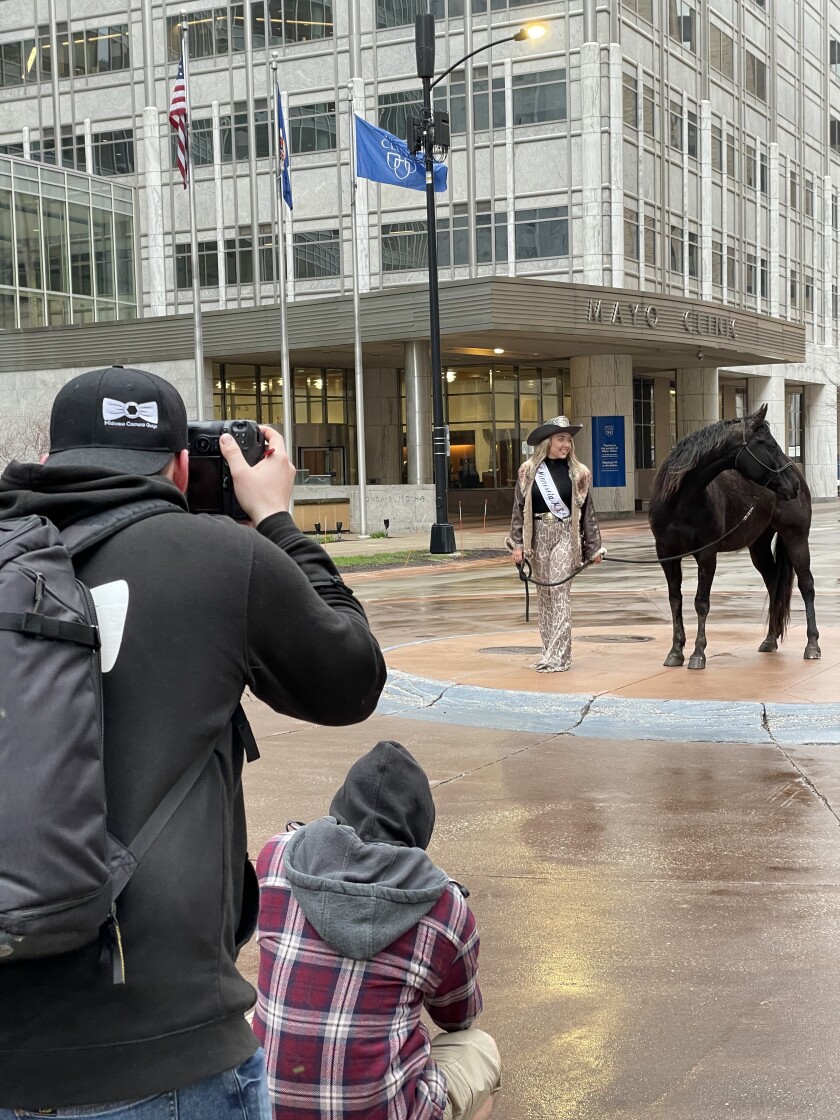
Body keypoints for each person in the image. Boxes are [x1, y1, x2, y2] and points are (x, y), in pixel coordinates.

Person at [0, 365, 386, 1118]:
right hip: (166, 1049)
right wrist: (277, 522)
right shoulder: (220, 558)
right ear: (182, 467)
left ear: (48, 459)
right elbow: (351, 678)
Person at [253, 740, 502, 1120]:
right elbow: (458, 1018)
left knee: (254, 1021)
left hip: (264, 1107)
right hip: (385, 1112)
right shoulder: (446, 908)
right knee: (479, 1049)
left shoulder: (276, 858)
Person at [506, 415, 602, 673]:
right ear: (548, 442)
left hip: (565, 534)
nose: (566, 445)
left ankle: (560, 657)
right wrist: (517, 544)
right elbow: (518, 509)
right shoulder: (528, 471)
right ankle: (548, 651)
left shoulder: (579, 473)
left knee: (559, 591)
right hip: (538, 535)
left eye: (568, 440)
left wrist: (594, 547)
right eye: (561, 439)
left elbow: (588, 513)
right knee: (545, 595)